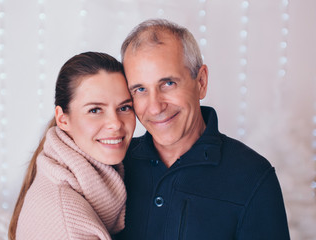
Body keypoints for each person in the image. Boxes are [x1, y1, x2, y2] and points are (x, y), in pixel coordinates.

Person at [116, 19, 290, 239]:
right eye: (140, 89)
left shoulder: (253, 176)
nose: (155, 106)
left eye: (168, 83)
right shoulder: (116, 163)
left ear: (201, 82)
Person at [8, 52, 136, 240]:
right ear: (63, 119)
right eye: (95, 110)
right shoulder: (68, 224)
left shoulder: (70, 171)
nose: (115, 123)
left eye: (124, 107)